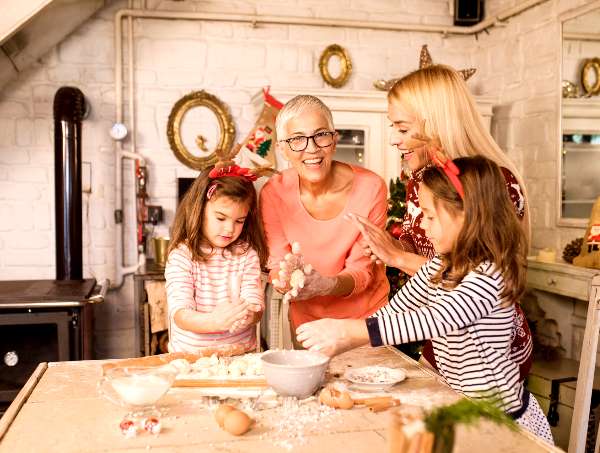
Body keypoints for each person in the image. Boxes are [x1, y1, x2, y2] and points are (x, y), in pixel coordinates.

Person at [297, 156, 553, 443]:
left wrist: (349, 331)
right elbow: (399, 309)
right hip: (464, 408)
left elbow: (435, 319)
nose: (424, 225)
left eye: (430, 216)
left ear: (467, 215)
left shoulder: (490, 275)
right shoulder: (443, 264)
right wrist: (341, 341)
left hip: (501, 421)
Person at [349, 64, 532, 379]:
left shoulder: (494, 184)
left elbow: (472, 280)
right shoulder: (421, 180)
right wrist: (391, 247)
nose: (394, 139)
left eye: (403, 129)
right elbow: (425, 251)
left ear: (436, 124)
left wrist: (398, 258)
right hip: (443, 343)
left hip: (486, 355)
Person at [259, 95, 389, 342]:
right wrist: (288, 279)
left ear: (335, 138)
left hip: (366, 322)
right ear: (282, 149)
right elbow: (277, 263)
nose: (312, 148)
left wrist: (326, 285)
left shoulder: (371, 187)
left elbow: (363, 272)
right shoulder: (273, 193)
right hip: (309, 327)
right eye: (297, 139)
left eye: (321, 135)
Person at [165, 163, 268, 354]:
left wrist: (247, 315)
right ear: (199, 209)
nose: (230, 229)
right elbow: (180, 314)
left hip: (240, 357)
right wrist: (214, 321)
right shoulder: (182, 255)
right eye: (221, 218)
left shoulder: (246, 254)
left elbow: (255, 304)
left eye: (239, 221)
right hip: (191, 359)